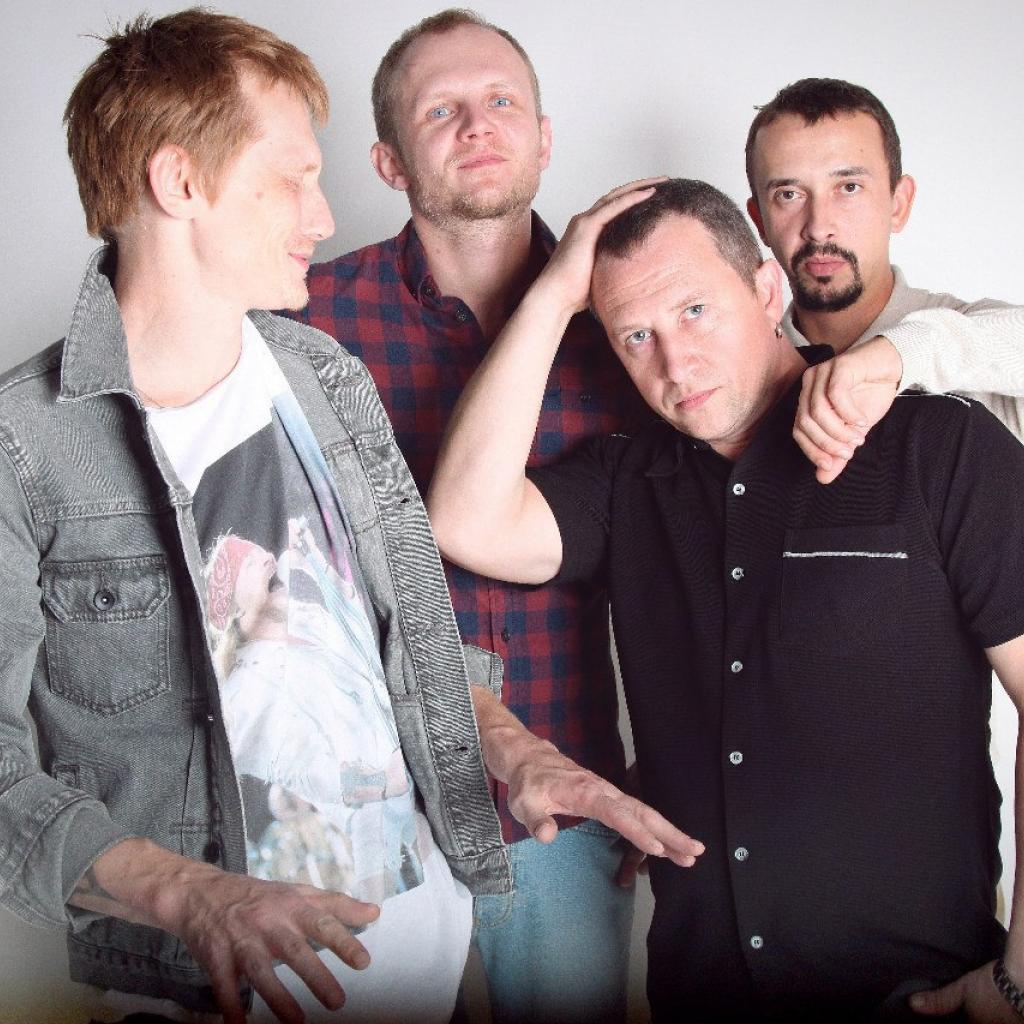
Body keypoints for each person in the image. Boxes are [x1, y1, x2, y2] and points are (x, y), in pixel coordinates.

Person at [0, 13, 701, 1024]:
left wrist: (518, 752)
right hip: (208, 992)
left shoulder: (324, 376)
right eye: (293, 178)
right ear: (178, 182)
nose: (324, 215)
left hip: (420, 957)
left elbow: (393, 645)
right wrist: (192, 895)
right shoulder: (24, 446)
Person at [427, 176, 1024, 1022]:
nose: (676, 364)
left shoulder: (940, 448)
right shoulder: (628, 480)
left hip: (917, 994)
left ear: (767, 290)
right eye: (637, 336)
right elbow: (464, 519)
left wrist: (1020, 979)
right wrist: (554, 293)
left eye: (695, 311)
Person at [290, 10, 647, 1022]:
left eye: (500, 102)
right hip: (369, 814)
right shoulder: (307, 318)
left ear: (544, 136)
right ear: (388, 161)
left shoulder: (632, 321)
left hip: (564, 799)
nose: (478, 125)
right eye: (440, 110)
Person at [742, 77, 1024, 482]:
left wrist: (900, 354)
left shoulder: (979, 348)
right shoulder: (742, 371)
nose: (819, 227)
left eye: (849, 187)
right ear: (759, 221)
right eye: (789, 194)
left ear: (898, 204)